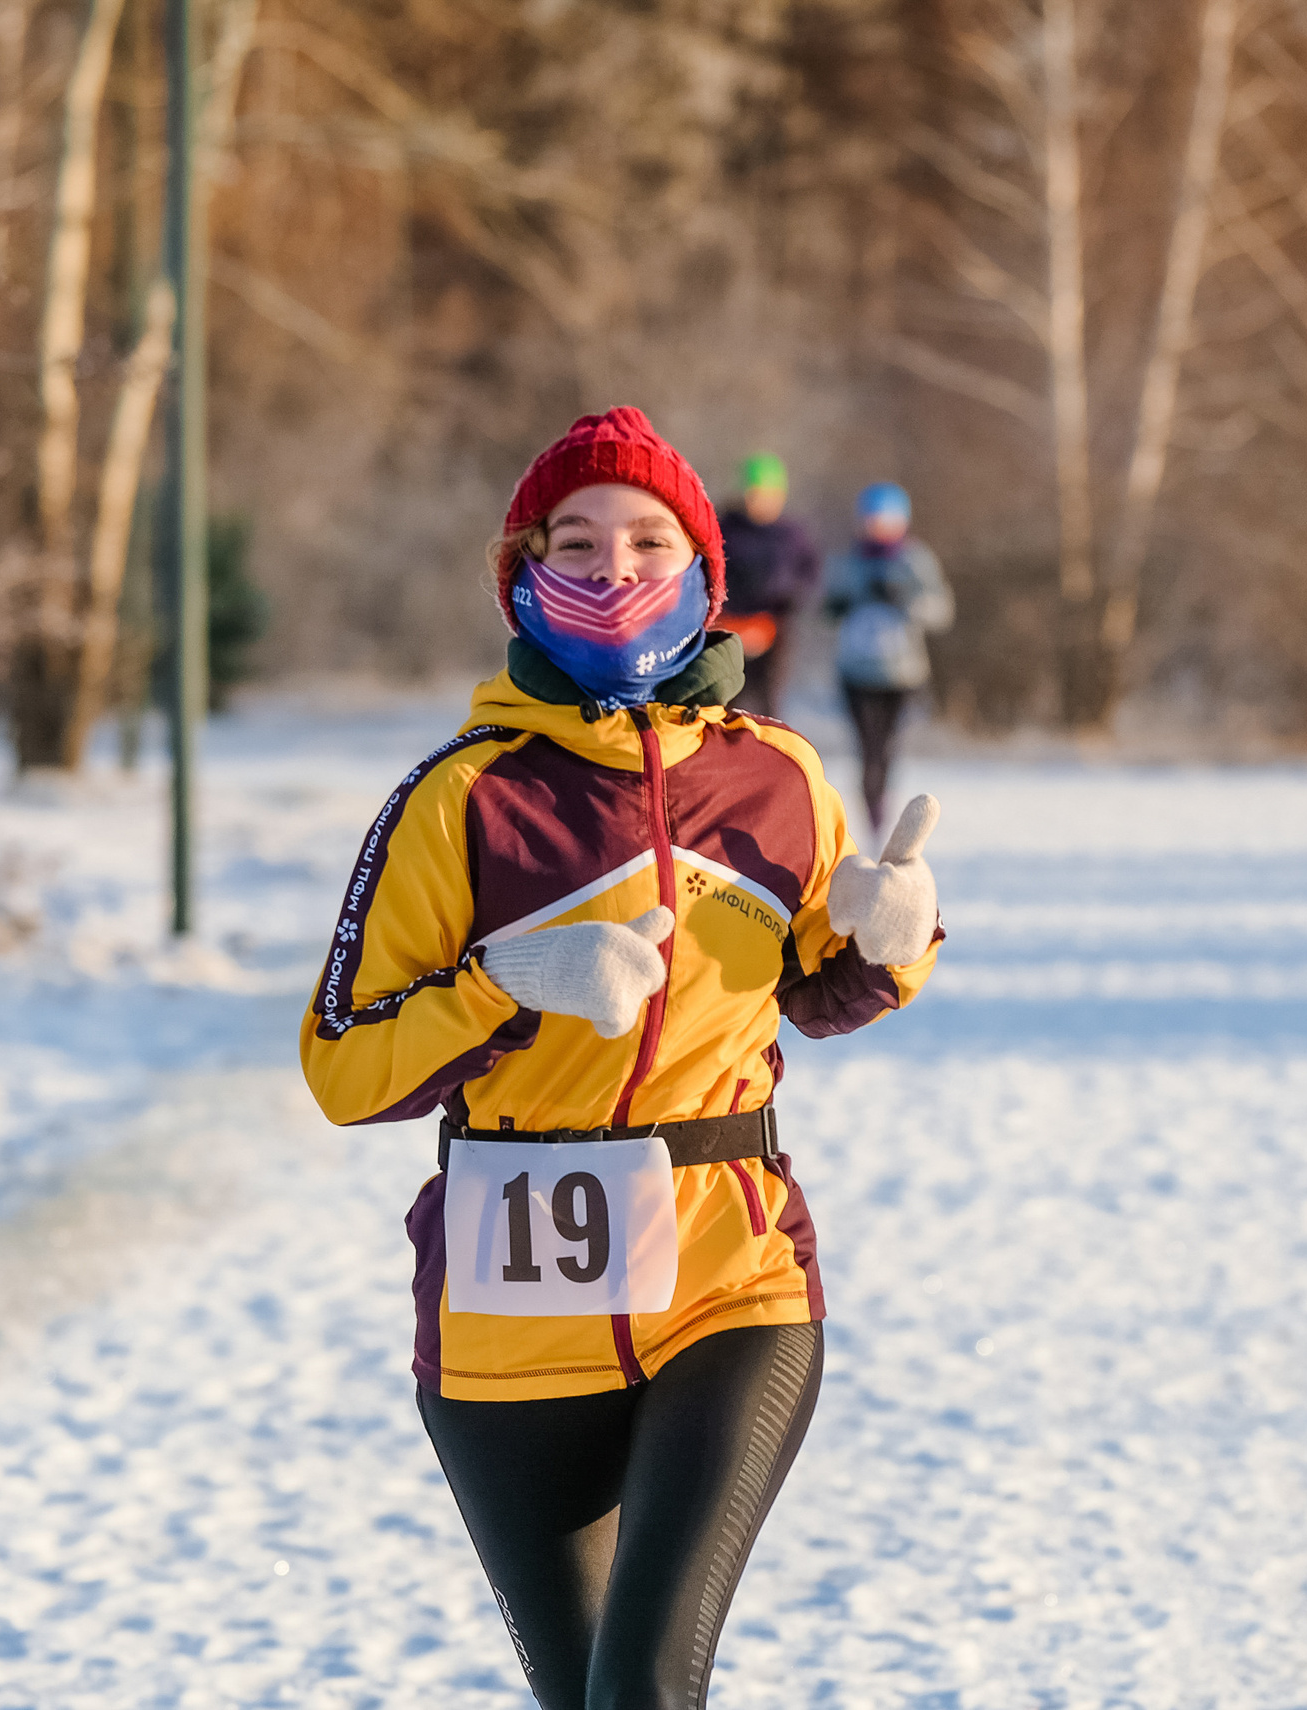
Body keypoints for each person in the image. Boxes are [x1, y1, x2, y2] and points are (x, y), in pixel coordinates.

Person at [300, 406, 945, 1710]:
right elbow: (341, 1066)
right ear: (522, 574)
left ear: (705, 575)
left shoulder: (777, 778)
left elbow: (824, 990)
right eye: (576, 542)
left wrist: (898, 937)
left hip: (732, 1274)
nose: (613, 570)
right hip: (504, 1311)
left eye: (647, 540)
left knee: (648, 1683)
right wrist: (502, 985)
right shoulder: (461, 797)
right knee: (589, 1691)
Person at [824, 482, 953, 832]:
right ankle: (872, 809)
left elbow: (941, 610)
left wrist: (906, 601)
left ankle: (882, 802)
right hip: (856, 671)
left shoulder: (914, 560)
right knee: (867, 747)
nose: (878, 527)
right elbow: (826, 607)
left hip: (901, 673)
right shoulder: (849, 560)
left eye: (886, 520)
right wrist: (842, 603)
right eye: (871, 520)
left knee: (889, 747)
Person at [715, 453, 821, 719]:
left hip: (774, 628)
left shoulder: (791, 535)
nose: (762, 503)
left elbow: (809, 573)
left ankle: (767, 751)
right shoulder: (725, 528)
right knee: (726, 699)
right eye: (756, 494)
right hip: (729, 628)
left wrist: (789, 597)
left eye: (770, 495)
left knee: (767, 701)